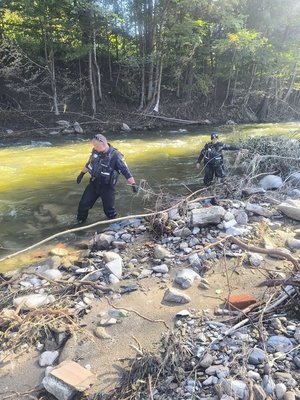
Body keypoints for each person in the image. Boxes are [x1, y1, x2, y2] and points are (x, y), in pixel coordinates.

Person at [76, 134, 137, 223]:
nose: (95, 148)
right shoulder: (95, 151)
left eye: (96, 146)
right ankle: (80, 223)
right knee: (83, 205)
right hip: (94, 183)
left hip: (107, 187)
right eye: (94, 146)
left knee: (109, 211)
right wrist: (81, 174)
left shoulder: (116, 156)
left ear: (104, 144)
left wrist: (133, 185)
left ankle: (115, 226)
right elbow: (89, 164)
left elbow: (126, 172)